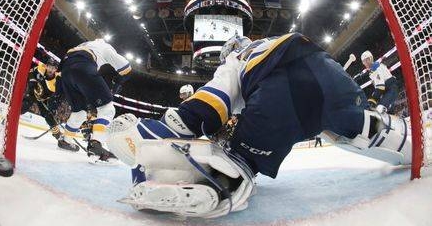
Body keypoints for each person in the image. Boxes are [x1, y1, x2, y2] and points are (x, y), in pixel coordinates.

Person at [106, 33, 411, 218]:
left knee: (240, 161)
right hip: (331, 75)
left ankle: (218, 184)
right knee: (362, 128)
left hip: (283, 92)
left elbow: (215, 98)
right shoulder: (269, 42)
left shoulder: (236, 59)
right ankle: (408, 144)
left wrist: (180, 123)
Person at [58, 38, 131, 164]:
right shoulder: (106, 47)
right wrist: (116, 84)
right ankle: (96, 145)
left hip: (65, 70)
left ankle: (66, 141)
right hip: (83, 65)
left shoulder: (85, 44)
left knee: (79, 113)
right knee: (107, 109)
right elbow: (126, 69)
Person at [21, 58, 79, 152]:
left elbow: (59, 96)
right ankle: (8, 119)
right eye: (49, 67)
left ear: (56, 69)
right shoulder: (40, 68)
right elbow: (31, 72)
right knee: (24, 106)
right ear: (46, 66)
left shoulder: (57, 82)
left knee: (49, 116)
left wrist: (53, 106)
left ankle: (59, 138)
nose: (51, 69)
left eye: (53, 68)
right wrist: (32, 81)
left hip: (44, 99)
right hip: (33, 94)